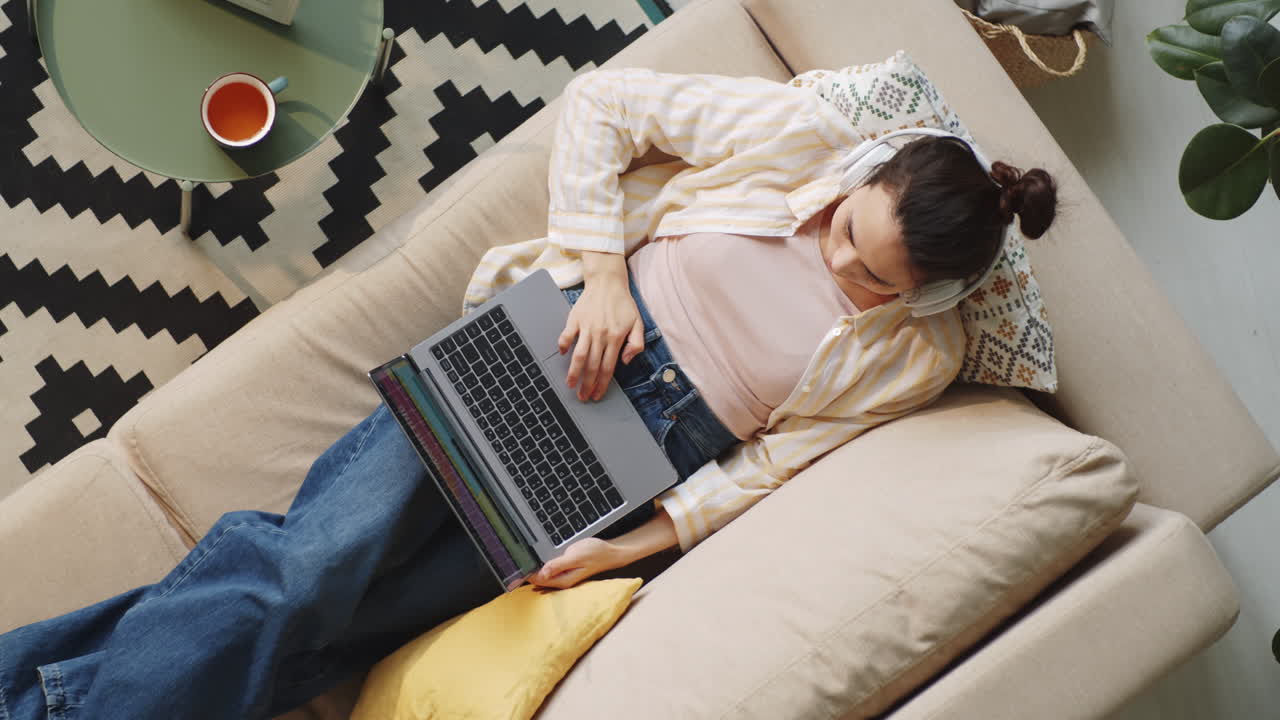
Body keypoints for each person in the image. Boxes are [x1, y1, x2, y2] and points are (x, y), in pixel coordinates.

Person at [0, 67, 1057, 719]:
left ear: (930, 293)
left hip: (638, 469)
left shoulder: (917, 357)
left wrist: (634, 546)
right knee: (310, 571)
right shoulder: (795, 139)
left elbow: (774, 463)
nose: (838, 259)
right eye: (846, 228)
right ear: (866, 177)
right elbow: (604, 105)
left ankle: (35, 694)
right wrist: (602, 275)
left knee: (339, 632)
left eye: (874, 278)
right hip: (552, 346)